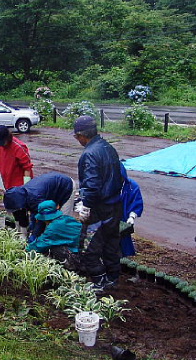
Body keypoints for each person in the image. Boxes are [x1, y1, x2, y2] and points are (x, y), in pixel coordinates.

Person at [73, 115, 123, 290]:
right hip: (115, 206)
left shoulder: (90, 153)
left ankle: (100, 281)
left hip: (99, 209)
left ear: (80, 135)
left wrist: (85, 205)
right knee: (111, 244)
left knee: (88, 248)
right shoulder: (108, 147)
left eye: (76, 136)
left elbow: (92, 185)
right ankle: (113, 277)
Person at [3, 172, 74, 239]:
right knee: (35, 221)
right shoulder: (20, 195)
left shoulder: (35, 198)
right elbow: (21, 215)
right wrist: (25, 231)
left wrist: (34, 236)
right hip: (50, 189)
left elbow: (43, 218)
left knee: (62, 222)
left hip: (66, 186)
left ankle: (65, 245)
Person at [25, 200, 81, 267]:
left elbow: (41, 244)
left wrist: (27, 248)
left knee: (56, 249)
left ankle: (73, 267)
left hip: (79, 254)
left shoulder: (53, 228)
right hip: (85, 247)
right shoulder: (66, 218)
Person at [0, 125, 33, 191]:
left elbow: (27, 168)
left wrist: (26, 188)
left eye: (1, 142)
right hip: (7, 183)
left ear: (7, 138)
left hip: (19, 186)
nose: (0, 145)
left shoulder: (19, 147)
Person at [119, 163, 144, 257]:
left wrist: (132, 216)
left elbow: (137, 202)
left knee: (124, 239)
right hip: (108, 218)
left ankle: (126, 257)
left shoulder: (131, 186)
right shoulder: (107, 185)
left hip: (123, 219)